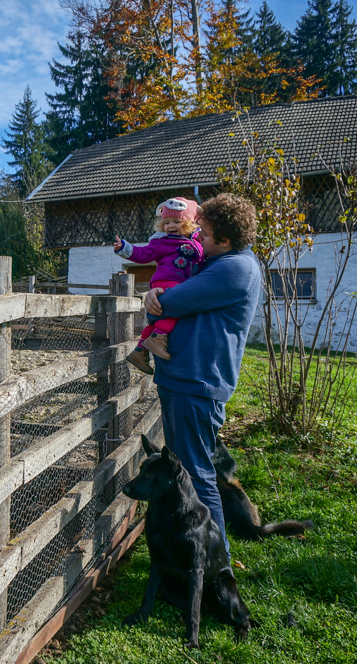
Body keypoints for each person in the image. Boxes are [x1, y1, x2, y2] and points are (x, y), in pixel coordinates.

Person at [141, 193, 261, 562]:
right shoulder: (221, 262)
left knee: (197, 474)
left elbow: (170, 304)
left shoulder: (233, 268)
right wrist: (155, 294)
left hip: (197, 382)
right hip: (187, 378)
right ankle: (197, 551)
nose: (198, 239)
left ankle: (216, 561)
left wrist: (155, 297)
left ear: (225, 239)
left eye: (205, 234)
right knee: (189, 470)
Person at [113, 197, 204, 375]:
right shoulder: (163, 242)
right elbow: (144, 253)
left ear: (189, 223)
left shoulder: (196, 242)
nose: (171, 226)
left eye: (177, 222)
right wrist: (124, 248)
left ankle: (140, 351)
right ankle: (159, 339)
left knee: (159, 319)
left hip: (179, 282)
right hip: (167, 280)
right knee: (178, 307)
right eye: (167, 222)